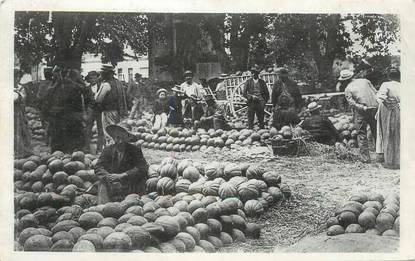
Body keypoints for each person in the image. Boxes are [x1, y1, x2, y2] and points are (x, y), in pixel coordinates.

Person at [94, 125, 149, 203]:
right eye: (117, 137)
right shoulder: (107, 150)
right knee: (102, 182)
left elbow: (142, 167)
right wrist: (108, 176)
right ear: (113, 138)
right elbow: (98, 167)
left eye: (122, 138)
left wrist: (123, 175)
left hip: (129, 182)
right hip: (112, 182)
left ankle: (133, 204)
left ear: (127, 138)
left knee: (140, 182)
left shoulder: (135, 150)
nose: (120, 141)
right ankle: (103, 207)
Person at [43, 67, 91, 153]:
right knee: (69, 145)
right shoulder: (57, 87)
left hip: (65, 119)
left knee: (63, 145)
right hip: (66, 119)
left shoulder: (54, 87)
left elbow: (46, 104)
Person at [340, 69, 378, 163]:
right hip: (374, 108)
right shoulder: (365, 81)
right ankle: (381, 155)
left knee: (361, 134)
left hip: (361, 111)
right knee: (376, 132)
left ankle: (365, 158)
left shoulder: (348, 89)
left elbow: (352, 104)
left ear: (344, 81)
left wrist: (363, 108)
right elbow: (376, 92)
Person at [95, 65, 128, 145]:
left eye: (102, 74)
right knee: (116, 133)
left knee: (109, 134)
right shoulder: (118, 83)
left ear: (105, 74)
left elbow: (98, 99)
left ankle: (110, 154)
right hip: (118, 111)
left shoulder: (106, 84)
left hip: (108, 112)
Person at [375, 67, 400, 169]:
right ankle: (398, 160)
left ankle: (389, 161)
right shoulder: (402, 85)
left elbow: (380, 97)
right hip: (399, 110)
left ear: (389, 76)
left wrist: (388, 102)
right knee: (398, 134)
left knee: (388, 134)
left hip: (388, 111)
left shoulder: (386, 84)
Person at [84, 71, 105, 153]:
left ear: (97, 78)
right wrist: (87, 111)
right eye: (91, 78)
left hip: (99, 110)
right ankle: (87, 148)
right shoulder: (87, 88)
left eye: (94, 77)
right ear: (89, 79)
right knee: (88, 129)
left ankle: (99, 149)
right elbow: (85, 101)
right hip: (91, 110)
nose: (93, 79)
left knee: (100, 129)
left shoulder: (101, 87)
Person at [14, 68, 32, 158]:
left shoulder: (20, 88)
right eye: (15, 76)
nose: (16, 78)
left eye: (18, 77)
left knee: (22, 130)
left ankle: (24, 151)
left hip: (19, 112)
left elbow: (22, 98)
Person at [36, 67, 53, 145]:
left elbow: (39, 97)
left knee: (46, 124)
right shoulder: (53, 83)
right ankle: (49, 140)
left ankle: (48, 140)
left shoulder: (42, 84)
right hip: (49, 106)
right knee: (50, 123)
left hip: (46, 106)